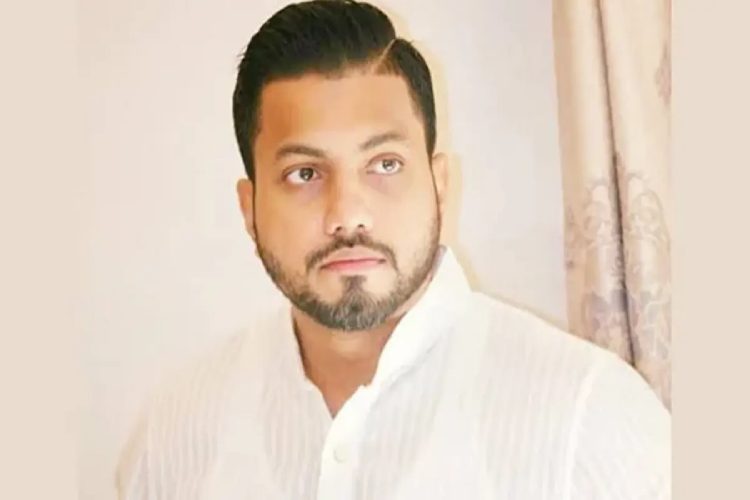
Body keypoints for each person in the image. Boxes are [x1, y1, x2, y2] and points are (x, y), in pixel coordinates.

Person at [116, 1, 671, 498]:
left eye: (384, 164)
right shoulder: (172, 439)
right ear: (249, 207)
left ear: (440, 185)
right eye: (304, 173)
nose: (347, 213)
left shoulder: (591, 421)